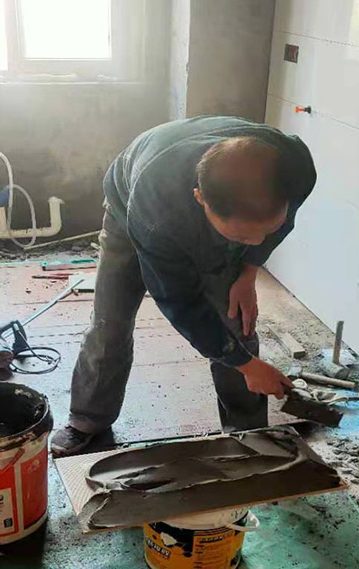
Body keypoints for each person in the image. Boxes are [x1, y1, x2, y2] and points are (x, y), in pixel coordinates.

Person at [50, 116, 316, 456]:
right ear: (200, 198)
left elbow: (270, 227)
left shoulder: (294, 168)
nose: (256, 241)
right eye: (242, 236)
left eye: (266, 230)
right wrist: (247, 366)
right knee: (110, 321)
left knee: (236, 323)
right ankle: (88, 420)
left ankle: (248, 433)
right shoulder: (156, 217)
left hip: (186, 189)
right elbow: (180, 302)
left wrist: (249, 270)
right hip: (129, 203)